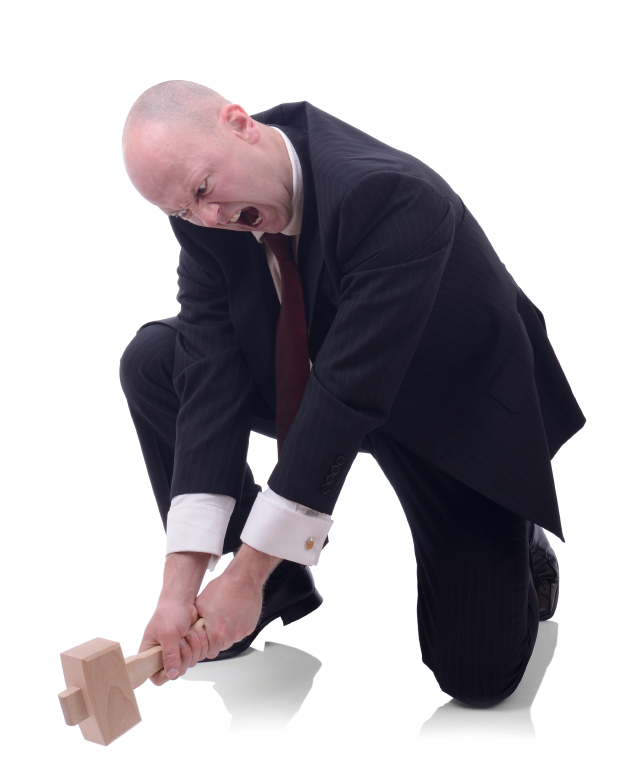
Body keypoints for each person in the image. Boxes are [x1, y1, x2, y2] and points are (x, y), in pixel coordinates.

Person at [119, 81, 584, 707]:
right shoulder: (207, 219)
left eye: (203, 190)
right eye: (181, 211)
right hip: (315, 367)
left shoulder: (391, 196)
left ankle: (515, 540)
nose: (207, 218)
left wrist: (249, 568)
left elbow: (344, 399)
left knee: (478, 677)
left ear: (240, 124)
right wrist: (180, 587)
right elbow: (210, 375)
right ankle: (272, 586)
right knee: (155, 361)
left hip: (447, 406)